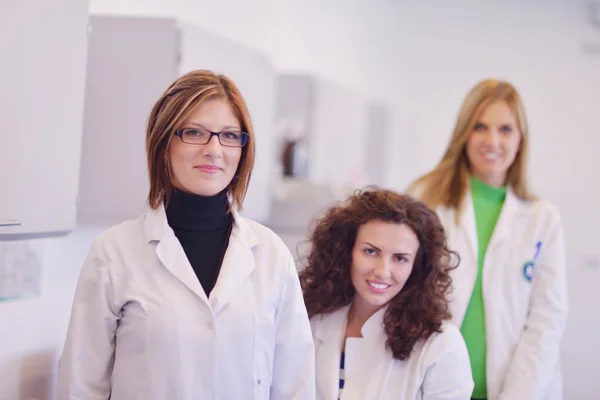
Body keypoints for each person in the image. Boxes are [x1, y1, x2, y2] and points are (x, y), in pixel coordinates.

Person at [56, 70, 315, 399]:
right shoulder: (114, 253)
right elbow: (80, 385)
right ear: (164, 143)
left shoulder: (270, 254)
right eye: (195, 132)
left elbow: (295, 383)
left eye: (230, 136)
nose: (214, 149)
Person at [407, 79, 568, 400]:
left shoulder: (542, 219)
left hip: (519, 387)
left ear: (521, 139)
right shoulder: (424, 199)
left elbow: (546, 320)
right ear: (464, 133)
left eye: (506, 129)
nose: (492, 140)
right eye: (480, 127)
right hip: (433, 383)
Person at [299, 188, 474, 400]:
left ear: (416, 267)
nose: (382, 271)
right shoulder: (314, 322)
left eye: (400, 258)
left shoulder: (441, 345)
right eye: (371, 252)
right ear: (347, 252)